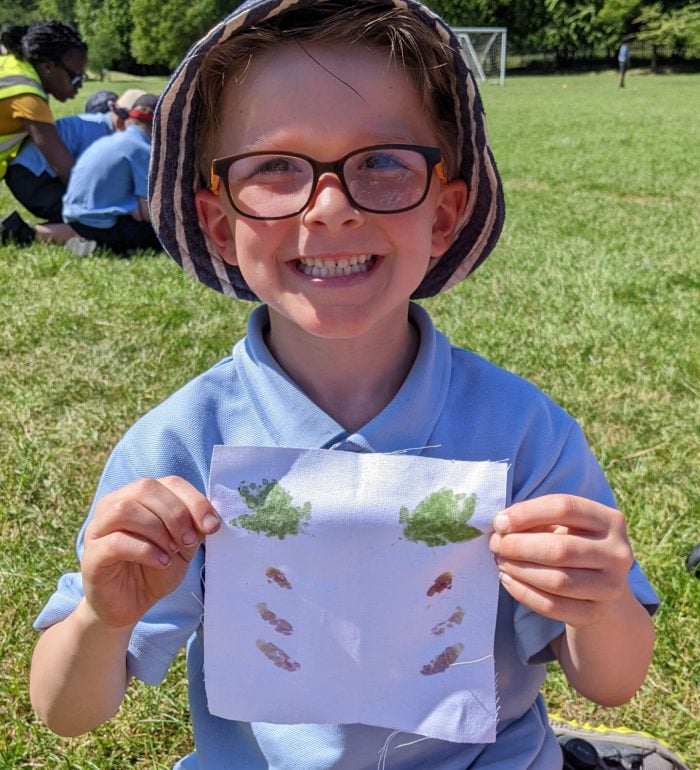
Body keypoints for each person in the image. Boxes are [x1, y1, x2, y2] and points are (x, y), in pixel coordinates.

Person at [30, 2, 658, 769]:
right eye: (274, 168)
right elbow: (65, 711)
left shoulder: (521, 432)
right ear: (220, 223)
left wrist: (600, 603)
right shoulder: (184, 443)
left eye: (383, 163)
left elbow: (612, 679)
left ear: (445, 213)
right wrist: (101, 616)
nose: (330, 209)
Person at [29, 92, 162, 255]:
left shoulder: (107, 140)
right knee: (159, 237)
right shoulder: (142, 149)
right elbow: (147, 213)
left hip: (73, 216)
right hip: (102, 223)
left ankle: (87, 241)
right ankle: (100, 243)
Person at [3, 89, 146, 227]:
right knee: (93, 219)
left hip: (32, 173)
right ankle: (17, 232)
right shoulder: (98, 132)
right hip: (31, 176)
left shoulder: (102, 126)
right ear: (123, 121)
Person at [0, 21, 87, 182]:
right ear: (47, 67)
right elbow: (66, 169)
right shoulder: (27, 96)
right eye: (75, 77)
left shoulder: (10, 64)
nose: (80, 85)